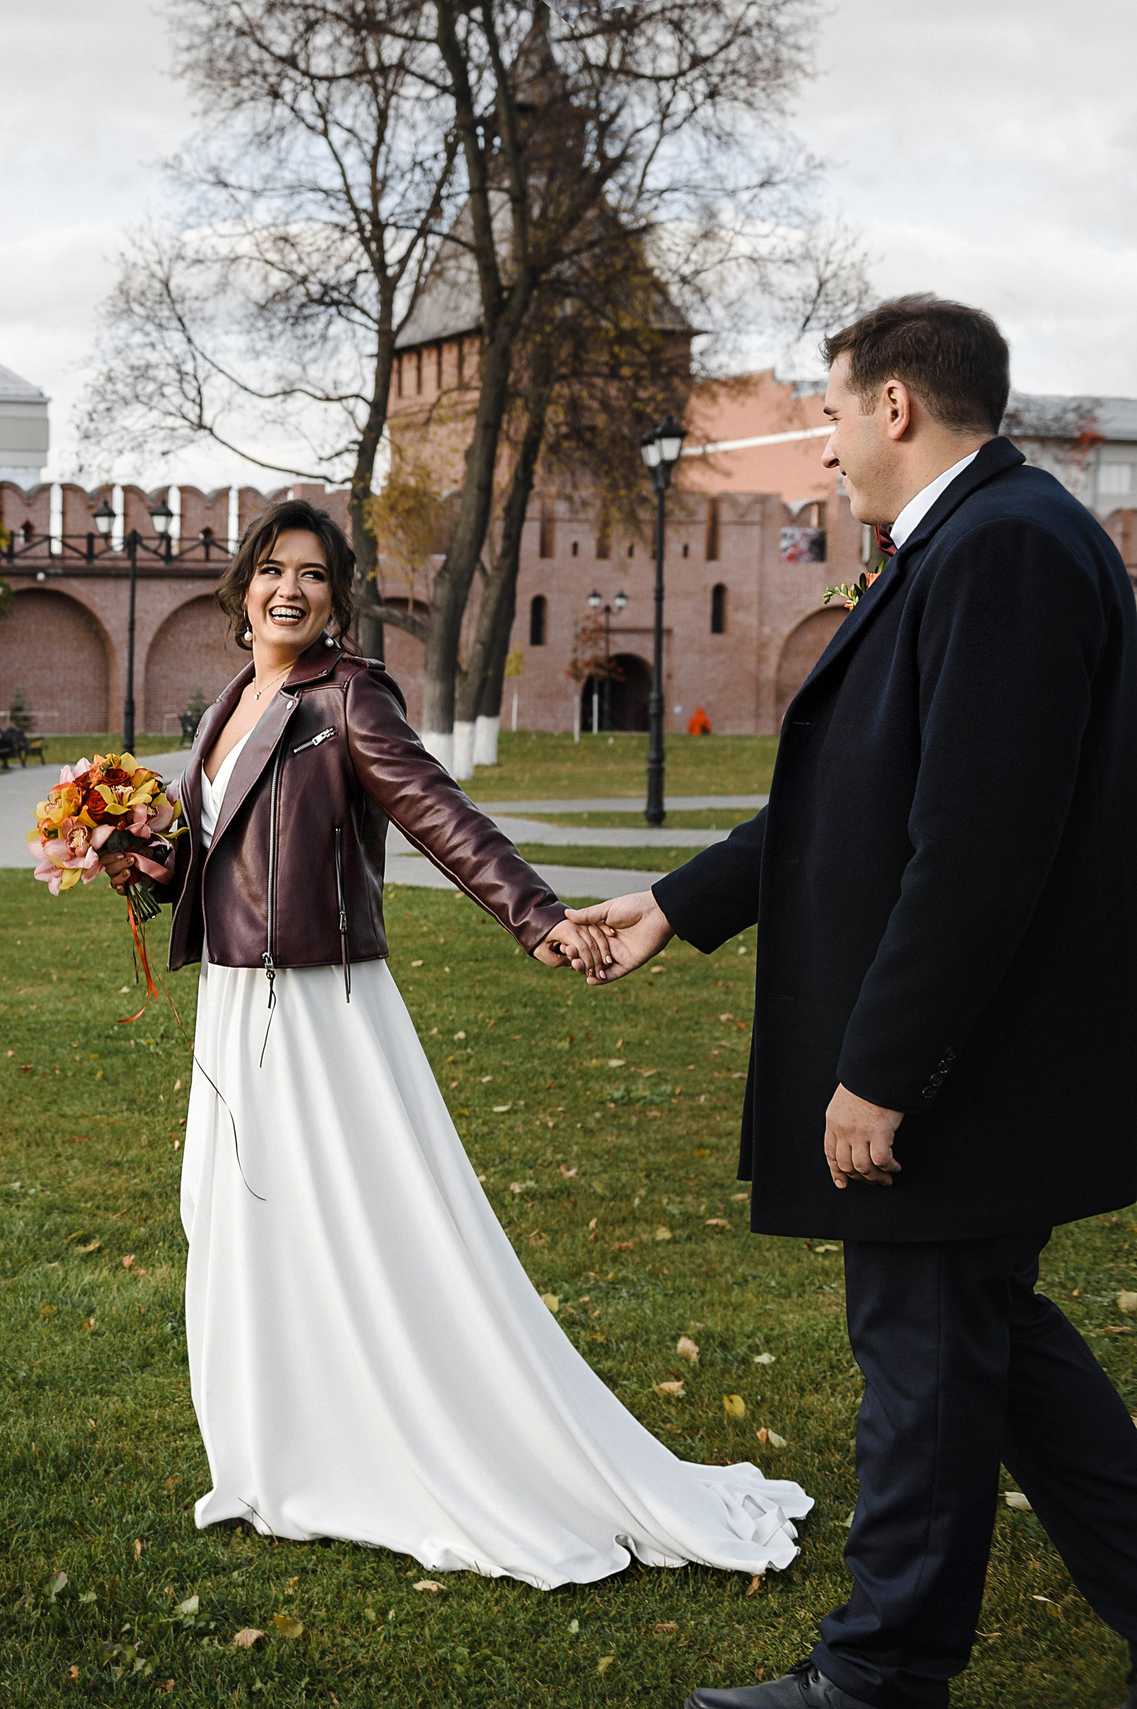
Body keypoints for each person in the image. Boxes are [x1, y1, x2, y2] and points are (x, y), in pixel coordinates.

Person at [567, 296, 1137, 1709]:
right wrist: (677, 903)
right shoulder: (972, 540)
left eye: (833, 409)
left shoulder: (1003, 550)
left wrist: (882, 1070)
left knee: (929, 1367)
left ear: (895, 405)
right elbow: (856, 800)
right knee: (996, 1357)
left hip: (966, 1072)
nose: (823, 442)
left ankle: (880, 1677)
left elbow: (978, 849)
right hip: (981, 1067)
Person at [102, 496, 810, 1589]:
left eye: (314, 575)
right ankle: (279, 1447)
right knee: (239, 1217)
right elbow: (222, 850)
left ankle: (400, 1441)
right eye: (272, 569)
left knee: (358, 1225)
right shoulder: (230, 702)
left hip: (321, 1004)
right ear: (240, 585)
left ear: (337, 598)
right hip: (236, 1003)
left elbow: (438, 811)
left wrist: (534, 915)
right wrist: (142, 863)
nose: (290, 588)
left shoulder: (346, 698)